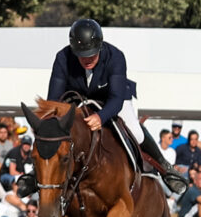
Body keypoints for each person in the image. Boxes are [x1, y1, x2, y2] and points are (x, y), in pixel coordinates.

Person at [46, 18, 173, 177]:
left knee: (137, 133)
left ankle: (164, 167)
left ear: (100, 47)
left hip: (112, 98)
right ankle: (34, 174)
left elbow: (116, 99)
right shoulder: (63, 58)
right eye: (82, 55)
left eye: (92, 54)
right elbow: (53, 99)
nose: (87, 59)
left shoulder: (115, 57)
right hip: (78, 98)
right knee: (49, 129)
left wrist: (101, 117)